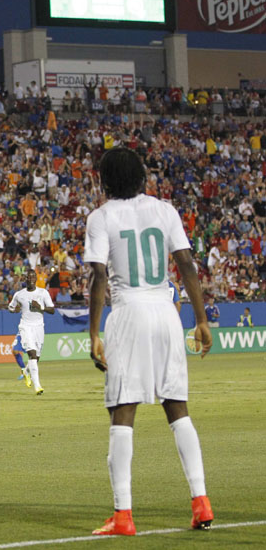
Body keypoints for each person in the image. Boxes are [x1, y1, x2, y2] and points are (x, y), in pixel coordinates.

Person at [85, 147, 214, 536]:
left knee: (122, 410)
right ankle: (201, 502)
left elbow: (98, 278)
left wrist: (93, 332)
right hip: (166, 312)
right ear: (142, 177)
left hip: (128, 313)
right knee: (178, 407)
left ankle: (123, 515)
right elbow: (188, 264)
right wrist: (201, 320)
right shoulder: (165, 210)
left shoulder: (101, 217)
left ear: (104, 180)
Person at [8, 269, 54, 395]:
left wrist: (40, 307)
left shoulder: (43, 293)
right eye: (29, 277)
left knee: (36, 358)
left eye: (33, 277)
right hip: (25, 327)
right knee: (32, 355)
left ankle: (26, 371)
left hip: (39, 327)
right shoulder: (19, 295)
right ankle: (38, 386)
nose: (31, 279)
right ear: (26, 279)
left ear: (36, 279)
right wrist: (14, 310)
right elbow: (11, 307)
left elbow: (52, 310)